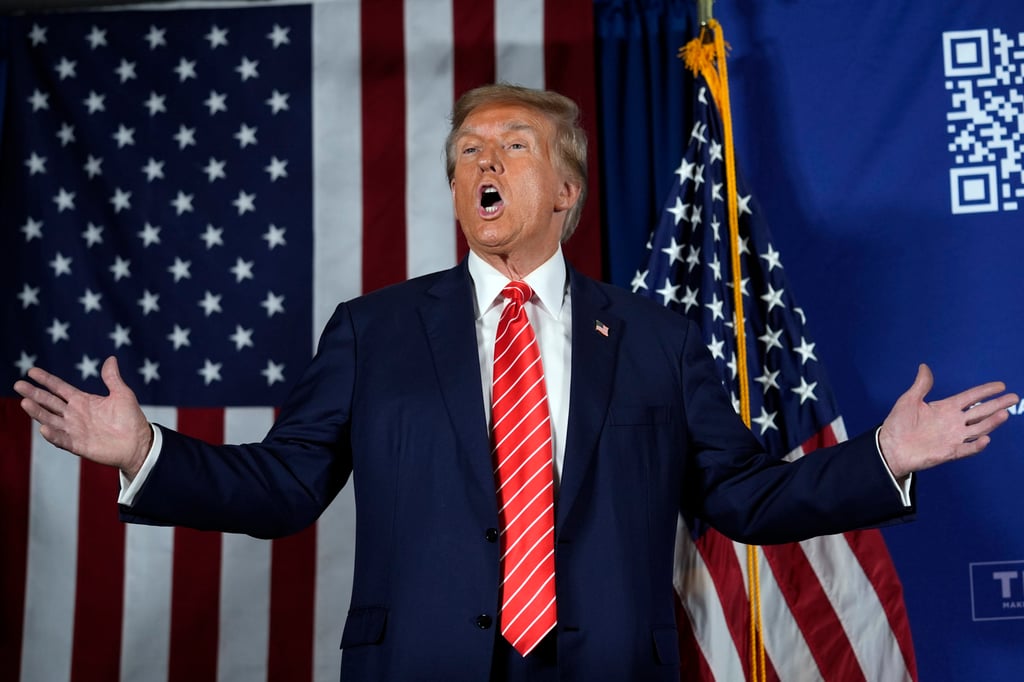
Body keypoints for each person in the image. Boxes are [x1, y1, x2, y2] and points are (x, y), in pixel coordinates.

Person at [14, 84, 1017, 681]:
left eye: (511, 146)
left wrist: (883, 458)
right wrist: (145, 452)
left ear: (566, 192)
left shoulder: (659, 339)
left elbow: (744, 496)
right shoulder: (374, 332)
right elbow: (281, 486)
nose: (481, 163)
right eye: (465, 153)